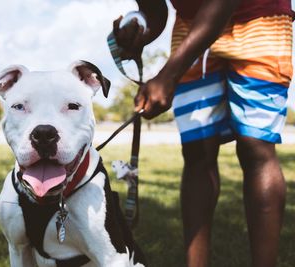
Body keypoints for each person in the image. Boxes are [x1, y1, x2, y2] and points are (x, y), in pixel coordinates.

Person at [110, 0, 293, 266]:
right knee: (197, 150)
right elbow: (155, 9)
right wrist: (140, 28)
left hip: (259, 18)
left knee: (255, 146)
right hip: (191, 26)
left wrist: (169, 74)